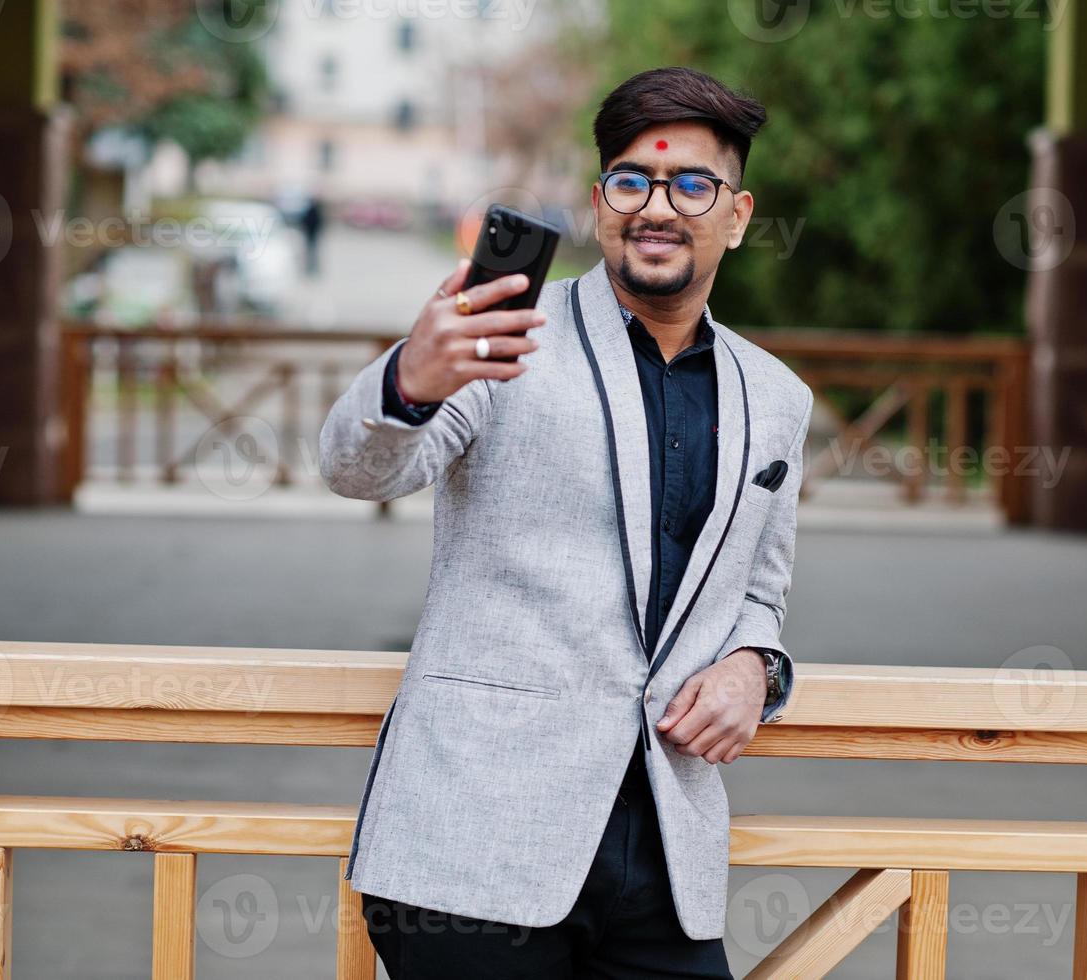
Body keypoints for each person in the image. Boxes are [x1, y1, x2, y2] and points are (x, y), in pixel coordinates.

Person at [319, 66, 813, 979]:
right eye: (632, 180)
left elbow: (757, 591)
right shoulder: (506, 336)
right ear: (598, 203)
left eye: (690, 184)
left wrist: (756, 668)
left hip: (664, 850)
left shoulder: (777, 397)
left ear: (736, 216)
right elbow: (357, 469)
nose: (656, 206)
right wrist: (409, 383)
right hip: (474, 842)